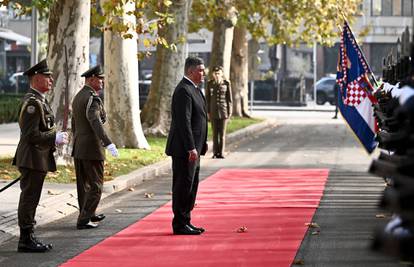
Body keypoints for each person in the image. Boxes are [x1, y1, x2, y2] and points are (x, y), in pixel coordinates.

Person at [13, 59, 69, 252]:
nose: (51, 80)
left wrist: (54, 137)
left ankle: (28, 236)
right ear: (36, 79)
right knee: (29, 198)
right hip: (31, 157)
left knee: (32, 198)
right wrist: (55, 137)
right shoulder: (32, 103)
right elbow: (30, 135)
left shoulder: (39, 101)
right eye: (47, 77)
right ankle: (25, 240)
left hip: (38, 157)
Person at [71, 65, 119, 230]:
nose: (103, 82)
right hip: (91, 148)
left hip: (79, 147)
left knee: (84, 185)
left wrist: (75, 142)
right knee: (96, 184)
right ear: (91, 79)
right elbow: (95, 121)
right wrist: (108, 142)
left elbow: (74, 124)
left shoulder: (79, 96)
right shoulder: (93, 98)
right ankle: (84, 219)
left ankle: (88, 213)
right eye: (100, 79)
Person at [165, 56, 208, 235]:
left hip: (195, 148)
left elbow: (201, 119)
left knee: (191, 185)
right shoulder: (184, 90)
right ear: (190, 71)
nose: (203, 73)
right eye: (200, 70)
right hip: (184, 149)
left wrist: (201, 144)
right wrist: (191, 147)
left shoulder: (195, 89)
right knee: (183, 185)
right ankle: (180, 224)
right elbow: (184, 122)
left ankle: (186, 220)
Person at [206, 66, 232, 158]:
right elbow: (207, 99)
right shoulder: (210, 84)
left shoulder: (226, 83)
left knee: (222, 134)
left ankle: (221, 153)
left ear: (222, 74)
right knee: (214, 134)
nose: (217, 75)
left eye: (219, 73)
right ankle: (215, 153)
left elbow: (229, 100)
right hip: (213, 112)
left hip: (224, 112)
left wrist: (229, 113)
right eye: (215, 73)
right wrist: (208, 112)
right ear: (213, 74)